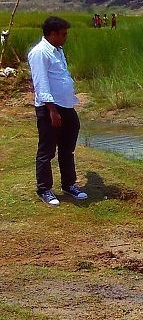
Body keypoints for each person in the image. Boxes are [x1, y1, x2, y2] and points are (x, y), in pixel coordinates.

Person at [28, 16, 87, 206]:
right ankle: (44, 189)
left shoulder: (58, 50)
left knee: (67, 148)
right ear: (52, 34)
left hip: (66, 105)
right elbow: (41, 83)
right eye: (63, 34)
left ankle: (69, 184)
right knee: (47, 150)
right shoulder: (40, 53)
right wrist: (52, 111)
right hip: (50, 108)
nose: (65, 38)